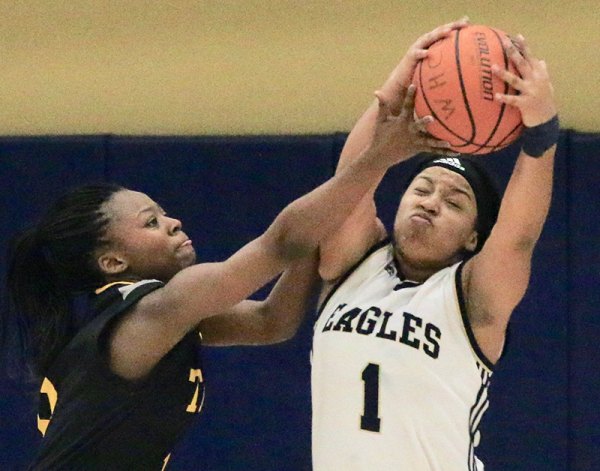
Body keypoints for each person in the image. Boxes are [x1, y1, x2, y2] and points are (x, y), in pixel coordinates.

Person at [4, 73, 456, 470]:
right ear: (112, 262)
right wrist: (378, 158)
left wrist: (325, 227)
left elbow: (270, 321)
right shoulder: (155, 311)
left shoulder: (155, 319)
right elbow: (279, 243)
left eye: (163, 214)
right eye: (151, 223)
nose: (173, 222)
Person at [312, 20, 558, 471]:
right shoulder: (353, 263)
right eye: (423, 188)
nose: (431, 202)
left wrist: (542, 132)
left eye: (454, 201)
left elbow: (519, 236)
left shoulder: (471, 296)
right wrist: (399, 86)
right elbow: (348, 182)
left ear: (473, 236)